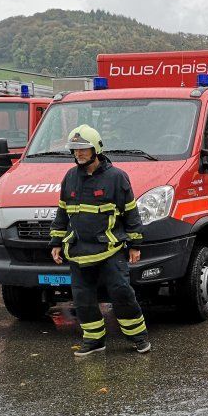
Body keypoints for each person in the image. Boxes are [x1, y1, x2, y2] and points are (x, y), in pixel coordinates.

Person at [49, 124, 150, 357]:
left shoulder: (117, 178)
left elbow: (131, 213)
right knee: (83, 299)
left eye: (83, 149)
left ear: (96, 149)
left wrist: (135, 245)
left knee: (122, 293)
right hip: (78, 251)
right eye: (75, 150)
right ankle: (94, 341)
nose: (78, 154)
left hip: (110, 250)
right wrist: (55, 242)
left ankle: (138, 337)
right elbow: (62, 213)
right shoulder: (70, 177)